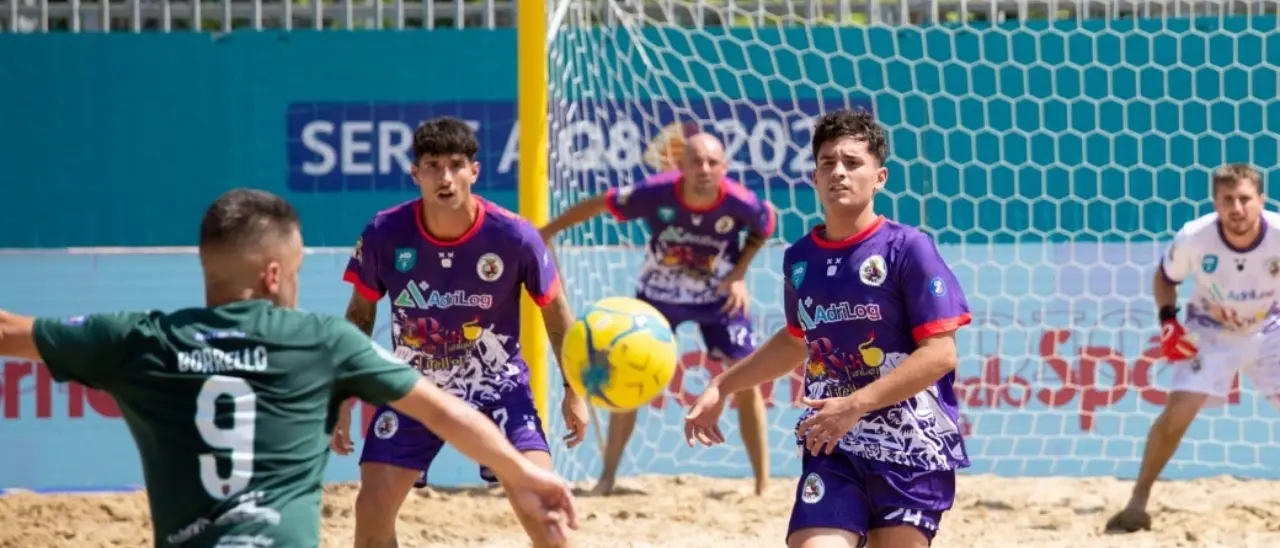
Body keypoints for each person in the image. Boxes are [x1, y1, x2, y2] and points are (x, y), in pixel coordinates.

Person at [0, 188, 578, 548]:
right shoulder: (319, 341)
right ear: (276, 276)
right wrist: (524, 474)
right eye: (298, 268)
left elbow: (9, 332)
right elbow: (444, 409)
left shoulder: (140, 340)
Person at [684, 108, 972, 548]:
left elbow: (940, 354)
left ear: (880, 177)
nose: (838, 172)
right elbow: (799, 339)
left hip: (911, 448)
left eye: (852, 163)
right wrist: (722, 385)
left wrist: (856, 404)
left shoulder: (909, 249)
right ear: (815, 179)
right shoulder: (800, 259)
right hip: (833, 444)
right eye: (827, 164)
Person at [329, 116, 589, 548]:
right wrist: (340, 395)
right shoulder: (384, 232)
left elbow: (556, 313)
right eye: (432, 165)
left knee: (544, 509)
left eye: (455, 164)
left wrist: (573, 388)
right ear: (415, 173)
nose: (444, 177)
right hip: (415, 387)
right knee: (371, 508)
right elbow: (358, 318)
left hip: (498, 388)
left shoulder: (516, 236)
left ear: (474, 171)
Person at [540, 132, 776, 495]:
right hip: (658, 296)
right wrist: (545, 232)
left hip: (718, 299)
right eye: (696, 161)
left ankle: (762, 485)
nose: (704, 169)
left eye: (713, 162)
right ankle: (606, 479)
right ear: (680, 166)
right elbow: (601, 203)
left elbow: (766, 224)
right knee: (624, 381)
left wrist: (740, 273)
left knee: (746, 382)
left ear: (725, 168)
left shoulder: (740, 201)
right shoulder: (655, 192)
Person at [1106, 164, 1280, 533]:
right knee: (1178, 414)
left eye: (1245, 199)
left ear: (1261, 201)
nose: (1237, 208)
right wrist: (1168, 321)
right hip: (1211, 330)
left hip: (1270, 326)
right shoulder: (1195, 237)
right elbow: (1165, 279)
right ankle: (1138, 500)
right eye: (1228, 199)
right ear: (1215, 203)